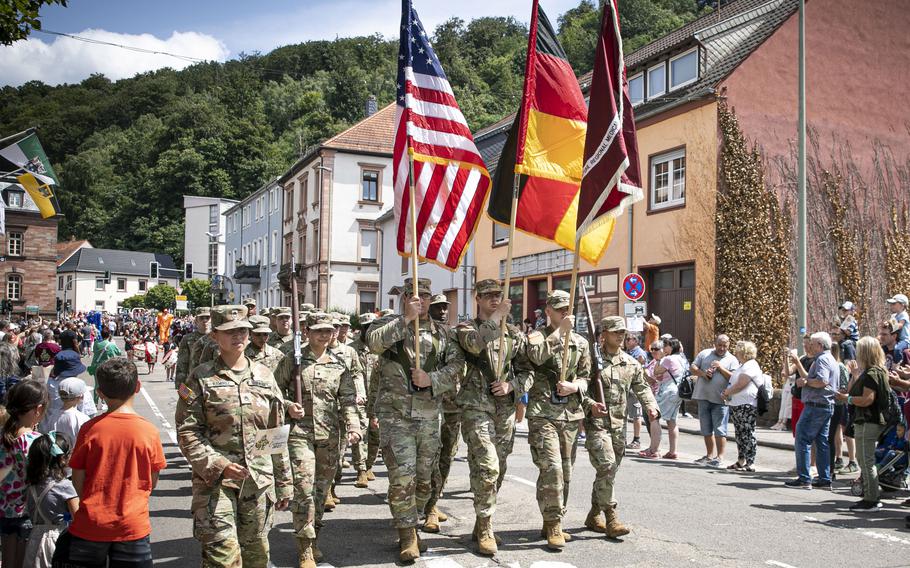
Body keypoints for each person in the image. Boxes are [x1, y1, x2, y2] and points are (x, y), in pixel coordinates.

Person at [177, 306, 303, 568]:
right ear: (215, 336)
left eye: (243, 330)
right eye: (230, 331)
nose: (238, 336)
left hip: (257, 481)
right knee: (222, 556)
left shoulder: (265, 377)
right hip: (215, 483)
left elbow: (275, 432)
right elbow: (188, 430)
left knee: (256, 556)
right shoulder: (200, 377)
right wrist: (218, 465)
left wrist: (284, 481)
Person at [366, 278, 463, 562]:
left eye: (425, 297)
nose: (420, 301)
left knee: (425, 479)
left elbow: (457, 366)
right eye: (413, 296)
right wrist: (405, 319)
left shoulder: (444, 335)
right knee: (402, 477)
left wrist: (431, 379)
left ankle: (415, 517)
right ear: (405, 298)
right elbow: (373, 344)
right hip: (395, 416)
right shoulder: (386, 326)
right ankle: (407, 534)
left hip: (429, 416)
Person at [52, 358, 164, 568]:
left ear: (100, 393)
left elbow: (78, 479)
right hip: (132, 525)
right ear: (137, 387)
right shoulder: (149, 431)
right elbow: (152, 480)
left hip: (91, 523)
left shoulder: (90, 429)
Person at [273, 312, 360, 565]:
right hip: (300, 434)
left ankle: (315, 537)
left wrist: (354, 426)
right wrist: (289, 404)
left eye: (328, 330)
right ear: (307, 332)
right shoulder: (293, 360)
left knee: (321, 492)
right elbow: (274, 391)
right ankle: (304, 547)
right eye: (318, 330)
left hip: (330, 435)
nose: (324, 334)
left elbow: (347, 400)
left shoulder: (338, 364)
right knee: (303, 489)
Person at [452, 279, 532, 554]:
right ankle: (486, 526)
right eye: (488, 296)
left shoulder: (513, 334)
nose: (494, 300)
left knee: (497, 468)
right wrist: (497, 318)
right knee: (488, 466)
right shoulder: (465, 329)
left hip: (504, 410)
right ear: (477, 299)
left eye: (498, 295)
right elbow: (474, 346)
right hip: (476, 407)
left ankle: (480, 519)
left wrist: (513, 387)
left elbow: (526, 371)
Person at [524, 290, 590, 550]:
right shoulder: (537, 336)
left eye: (567, 309)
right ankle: (553, 524)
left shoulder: (580, 343)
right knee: (552, 468)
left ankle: (553, 518)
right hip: (543, 414)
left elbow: (585, 376)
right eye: (559, 309)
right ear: (548, 311)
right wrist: (560, 332)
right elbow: (537, 356)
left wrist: (575, 387)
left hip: (570, 414)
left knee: (566, 472)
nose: (564, 313)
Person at [583, 316, 658, 539]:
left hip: (618, 426)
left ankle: (593, 513)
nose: (620, 336)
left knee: (609, 472)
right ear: (603, 334)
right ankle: (611, 517)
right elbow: (580, 390)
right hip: (597, 425)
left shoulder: (630, 362)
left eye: (622, 332)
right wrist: (590, 405)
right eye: (615, 332)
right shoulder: (590, 361)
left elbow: (642, 388)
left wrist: (651, 407)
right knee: (606, 465)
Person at [836, 336, 888, 510]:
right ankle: (870, 495)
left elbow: (867, 400)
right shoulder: (876, 371)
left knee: (866, 461)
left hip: (868, 420)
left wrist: (848, 399)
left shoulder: (872, 373)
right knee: (863, 459)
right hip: (868, 420)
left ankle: (871, 498)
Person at [423, 293, 460, 534]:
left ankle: (434, 500)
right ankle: (429, 508)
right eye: (438, 308)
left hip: (452, 405)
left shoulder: (452, 335)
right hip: (429, 404)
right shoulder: (423, 335)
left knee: (447, 454)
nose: (443, 312)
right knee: (430, 457)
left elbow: (458, 365)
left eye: (445, 308)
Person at [0, 380, 47, 568]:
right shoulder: (37, 441)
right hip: (27, 512)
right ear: (38, 409)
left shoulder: (3, 436)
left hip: (3, 510)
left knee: (8, 560)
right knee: (24, 561)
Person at [786, 332, 838, 489]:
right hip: (825, 405)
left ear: (820, 345)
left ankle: (804, 478)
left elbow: (821, 381)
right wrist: (806, 378)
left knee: (802, 439)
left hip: (816, 406)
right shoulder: (830, 359)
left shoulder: (822, 359)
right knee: (822, 442)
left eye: (813, 343)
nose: (810, 346)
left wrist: (805, 382)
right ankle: (824, 478)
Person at [24, 432, 78, 568]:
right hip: (57, 540)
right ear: (61, 459)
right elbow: (78, 517)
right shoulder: (64, 486)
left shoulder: (32, 485)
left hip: (34, 539)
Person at [690, 335, 738, 467]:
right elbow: (692, 367)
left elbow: (734, 378)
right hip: (703, 397)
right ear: (715, 344)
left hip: (720, 400)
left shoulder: (732, 359)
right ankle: (709, 455)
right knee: (706, 429)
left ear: (728, 345)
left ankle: (720, 457)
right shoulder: (704, 354)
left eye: (725, 346)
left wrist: (721, 368)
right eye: (719, 345)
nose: (722, 348)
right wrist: (703, 373)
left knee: (720, 429)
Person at [349, 313, 379, 487]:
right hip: (359, 397)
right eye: (366, 327)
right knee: (361, 433)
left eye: (372, 327)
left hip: (376, 397)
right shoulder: (352, 349)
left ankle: (369, 465)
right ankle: (360, 469)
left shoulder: (379, 348)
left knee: (376, 435)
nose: (369, 330)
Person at [722, 341, 762, 472]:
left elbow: (741, 384)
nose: (736, 353)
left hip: (747, 405)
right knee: (740, 433)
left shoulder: (751, 365)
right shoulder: (743, 365)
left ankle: (750, 462)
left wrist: (727, 392)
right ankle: (741, 460)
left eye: (738, 351)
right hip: (737, 403)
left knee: (748, 433)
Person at [642, 338, 684, 459]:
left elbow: (656, 372)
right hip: (677, 391)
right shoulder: (681, 359)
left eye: (666, 346)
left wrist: (660, 360)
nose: (663, 348)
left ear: (671, 347)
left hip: (666, 391)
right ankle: (673, 451)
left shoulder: (668, 358)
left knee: (654, 417)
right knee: (672, 421)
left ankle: (654, 450)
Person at [174, 307, 212, 392]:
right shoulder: (188, 339)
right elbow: (182, 364)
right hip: (194, 383)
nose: (205, 321)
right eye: (201, 318)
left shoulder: (218, 338)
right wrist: (181, 387)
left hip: (214, 383)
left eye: (207, 318)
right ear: (196, 321)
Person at [52, 378, 91, 449]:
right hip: (76, 456)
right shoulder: (83, 419)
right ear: (81, 396)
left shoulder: (52, 416)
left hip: (57, 456)